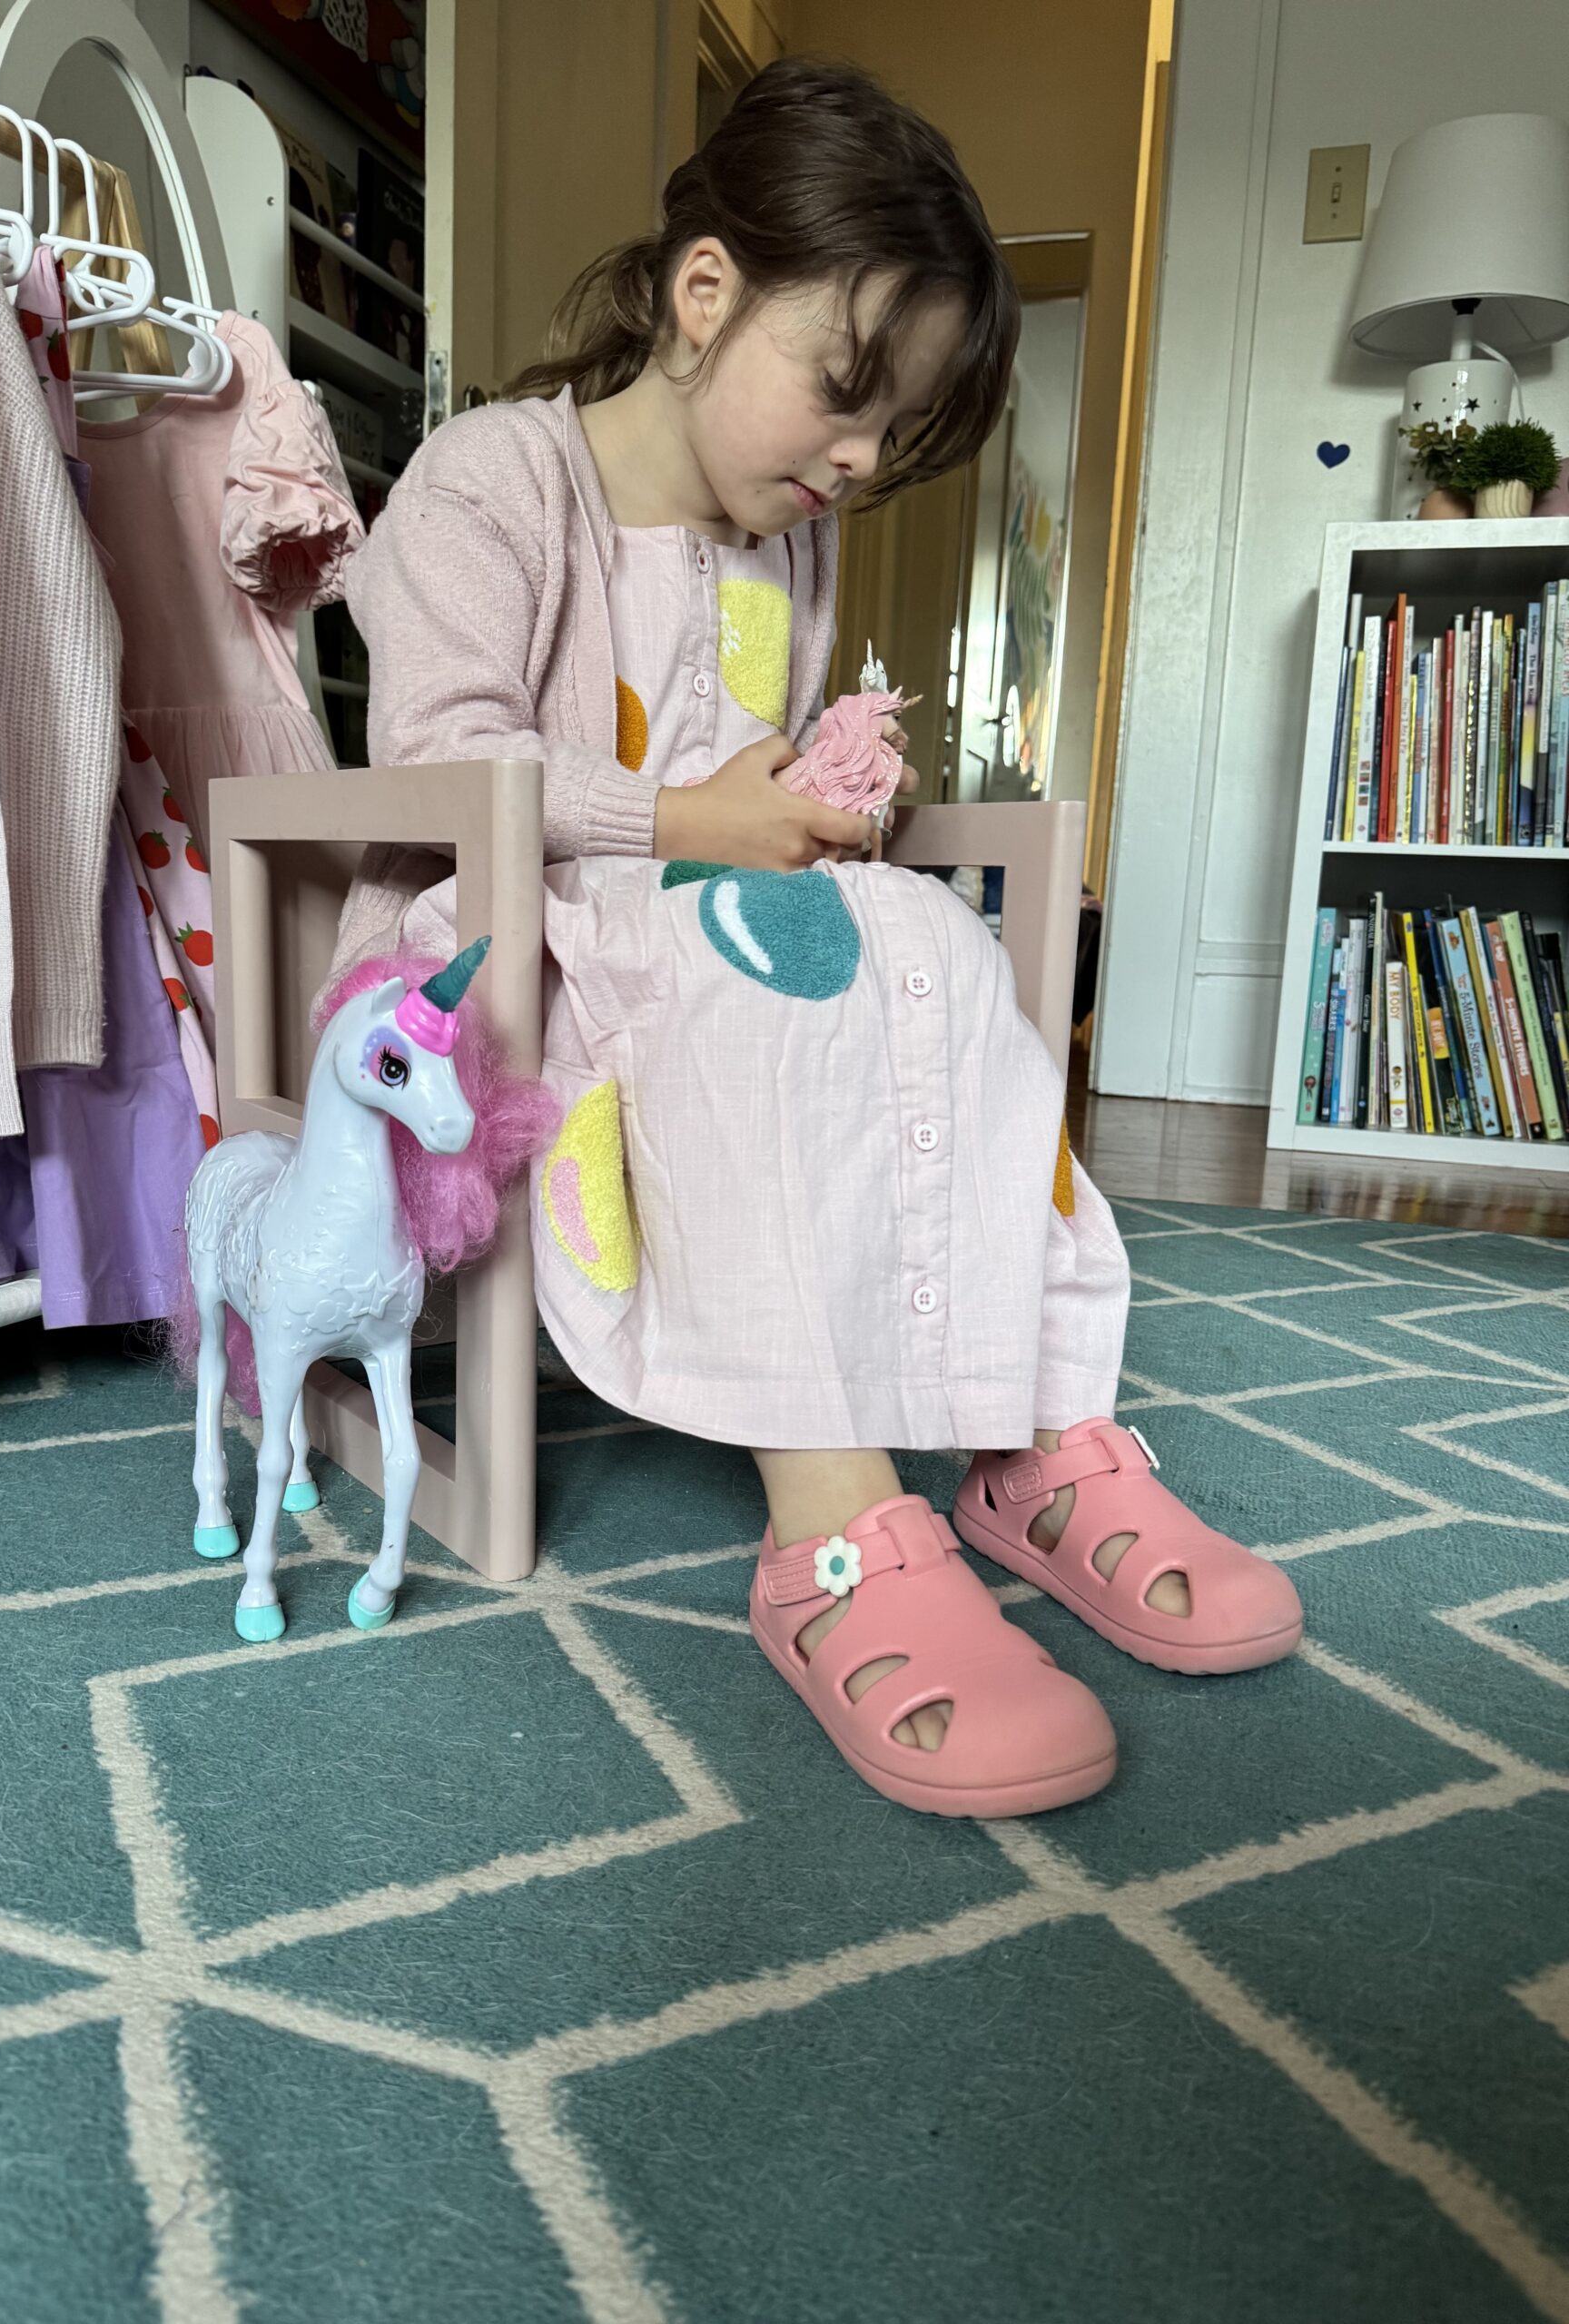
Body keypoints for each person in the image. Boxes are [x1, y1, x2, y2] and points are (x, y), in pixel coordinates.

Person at [327, 55, 1303, 1817]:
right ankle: (833, 1517)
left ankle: (1030, 1426)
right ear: (706, 292)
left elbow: (762, 780)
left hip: (712, 900)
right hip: (496, 924)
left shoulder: (793, 543)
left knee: (928, 945)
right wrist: (697, 821)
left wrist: (831, 798)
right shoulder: (493, 476)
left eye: (891, 436)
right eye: (843, 400)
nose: (854, 462)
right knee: (742, 968)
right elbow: (432, 757)